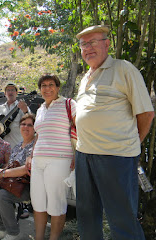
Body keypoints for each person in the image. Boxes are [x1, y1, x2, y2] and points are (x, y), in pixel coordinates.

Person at [75, 25, 154, 240]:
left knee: (122, 219)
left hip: (116, 156)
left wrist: (131, 144)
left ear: (107, 43)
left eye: (93, 42)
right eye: (84, 44)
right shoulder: (85, 77)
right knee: (87, 216)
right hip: (84, 155)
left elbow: (146, 113)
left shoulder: (124, 69)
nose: (88, 48)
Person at [26, 74, 76, 240]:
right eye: (43, 86)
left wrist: (78, 155)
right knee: (38, 204)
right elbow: (38, 135)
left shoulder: (69, 104)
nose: (47, 88)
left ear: (57, 87)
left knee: (56, 205)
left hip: (59, 160)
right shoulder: (40, 109)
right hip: (38, 161)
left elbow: (80, 129)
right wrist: (31, 155)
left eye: (51, 84)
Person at [0, 113, 36, 240]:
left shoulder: (35, 146)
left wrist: (2, 173)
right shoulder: (18, 146)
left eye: (30, 125)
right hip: (11, 182)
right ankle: (0, 228)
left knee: (1, 196)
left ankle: (13, 232)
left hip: (26, 186)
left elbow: (26, 169)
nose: (26, 127)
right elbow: (9, 166)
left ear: (35, 128)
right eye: (23, 124)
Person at [0, 82, 29, 147]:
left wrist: (25, 111)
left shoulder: (22, 106)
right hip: (0, 148)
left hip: (17, 145)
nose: (10, 92)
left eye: (12, 90)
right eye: (8, 90)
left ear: (16, 93)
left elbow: (31, 122)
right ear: (5, 93)